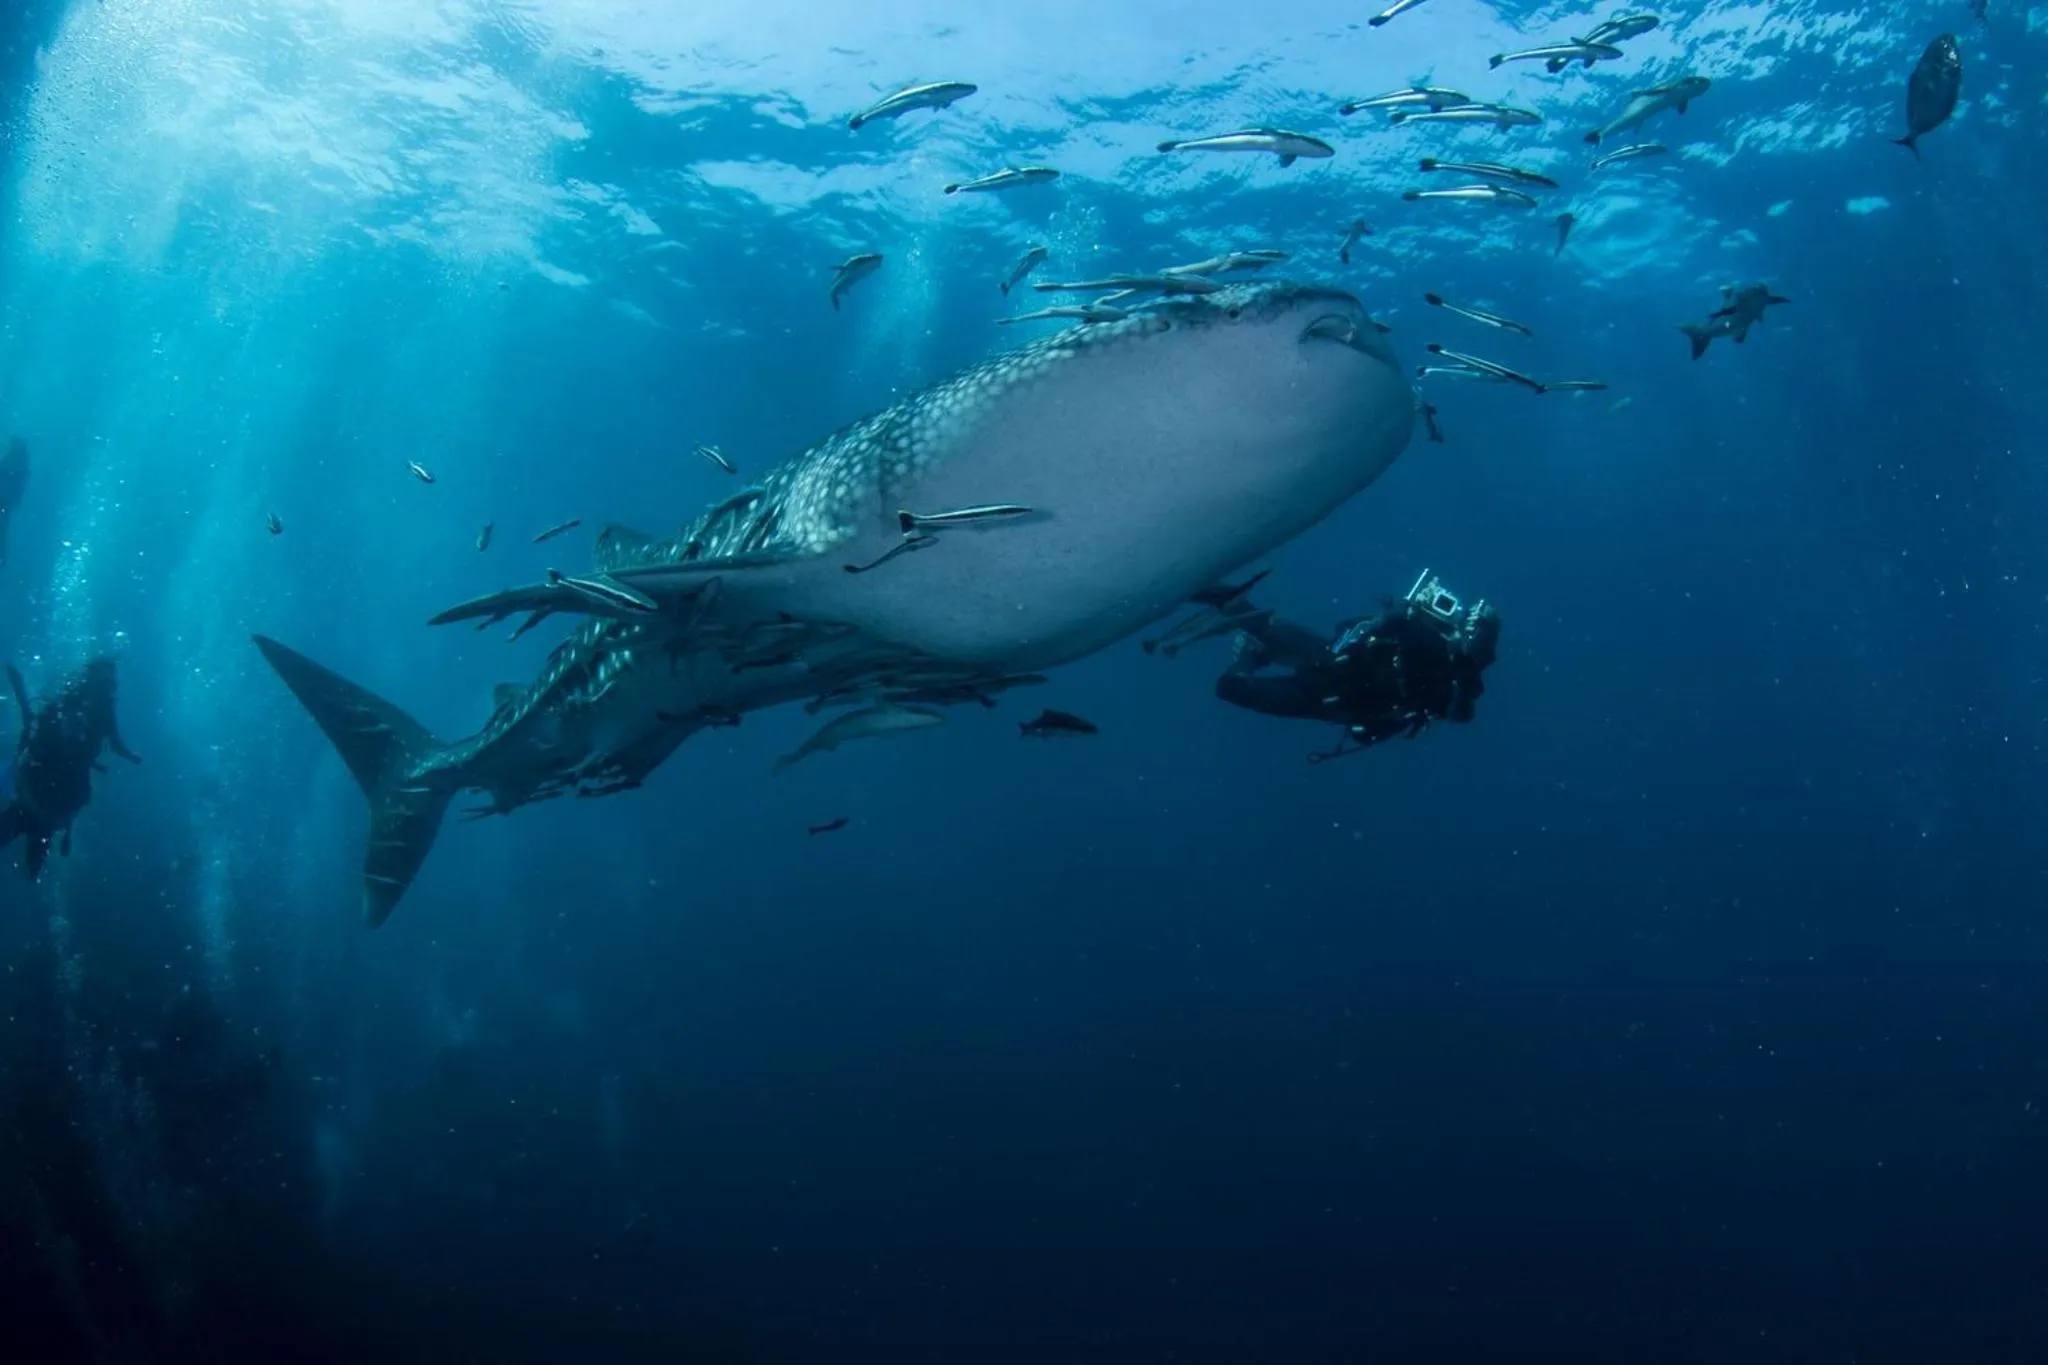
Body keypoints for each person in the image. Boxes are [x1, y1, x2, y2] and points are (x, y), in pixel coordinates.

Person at [1213, 569, 1500, 760]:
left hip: (1327, 696)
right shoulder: (1453, 674)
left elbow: (1462, 710)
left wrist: (1404, 615)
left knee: (1232, 685)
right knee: (1260, 631)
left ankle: (1252, 654)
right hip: (1332, 663)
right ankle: (1236, 620)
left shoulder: (1450, 669)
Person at [0, 656, 141, 877]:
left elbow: (115, 742)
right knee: (31, 841)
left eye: (106, 683)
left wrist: (130, 755)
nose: (103, 687)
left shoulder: (101, 712)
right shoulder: (68, 703)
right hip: (37, 799)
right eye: (100, 680)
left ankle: (33, 882)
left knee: (33, 858)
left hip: (47, 806)